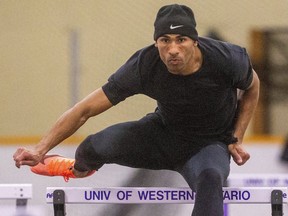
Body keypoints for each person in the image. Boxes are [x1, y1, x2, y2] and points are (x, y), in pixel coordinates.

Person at [13, 4, 260, 216]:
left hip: (208, 146)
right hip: (161, 136)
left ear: (195, 41)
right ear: (156, 43)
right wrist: (40, 148)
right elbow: (85, 109)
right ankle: (76, 169)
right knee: (92, 146)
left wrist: (236, 137)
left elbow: (252, 87)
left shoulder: (227, 58)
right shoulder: (144, 65)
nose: (173, 50)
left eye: (181, 40)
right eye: (165, 41)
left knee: (211, 182)